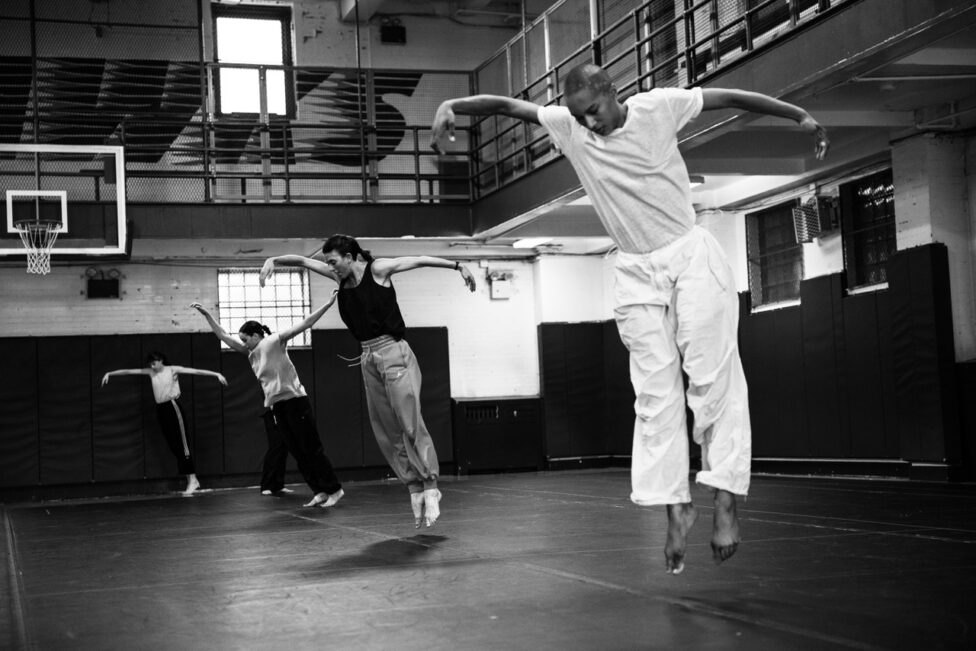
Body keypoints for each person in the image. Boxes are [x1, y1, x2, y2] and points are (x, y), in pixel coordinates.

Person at [431, 63, 829, 574]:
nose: (588, 124)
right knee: (654, 395)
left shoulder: (659, 107)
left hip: (689, 254)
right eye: (578, 116)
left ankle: (726, 502)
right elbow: (511, 107)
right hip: (635, 269)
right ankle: (676, 506)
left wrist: (798, 114)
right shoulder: (570, 126)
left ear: (611, 92)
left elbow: (728, 95)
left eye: (593, 111)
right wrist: (453, 106)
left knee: (713, 379)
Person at [259, 235, 476, 528]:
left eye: (334, 261)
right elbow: (301, 260)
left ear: (350, 256)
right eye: (328, 263)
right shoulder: (339, 274)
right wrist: (273, 260)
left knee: (409, 423)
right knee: (386, 430)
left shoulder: (378, 270)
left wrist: (457, 265)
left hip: (394, 352)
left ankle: (431, 485)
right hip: (367, 357)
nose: (330, 268)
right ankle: (413, 486)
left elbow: (420, 259)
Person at [190, 295, 344, 508]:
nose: (243, 344)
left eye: (245, 339)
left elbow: (306, 323)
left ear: (255, 335)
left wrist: (327, 304)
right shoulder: (251, 353)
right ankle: (319, 491)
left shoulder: (274, 341)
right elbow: (223, 336)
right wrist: (207, 315)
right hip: (277, 407)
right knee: (297, 452)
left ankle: (334, 489)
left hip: (295, 401)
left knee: (311, 449)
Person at [101, 352, 228, 496]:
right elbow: (129, 371)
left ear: (160, 360)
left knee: (182, 444)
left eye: (154, 363)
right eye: (150, 364)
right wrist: (109, 373)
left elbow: (196, 371)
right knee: (174, 445)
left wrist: (217, 374)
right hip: (161, 409)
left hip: (172, 407)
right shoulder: (150, 372)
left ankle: (192, 479)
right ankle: (191, 479)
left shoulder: (173, 369)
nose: (152, 366)